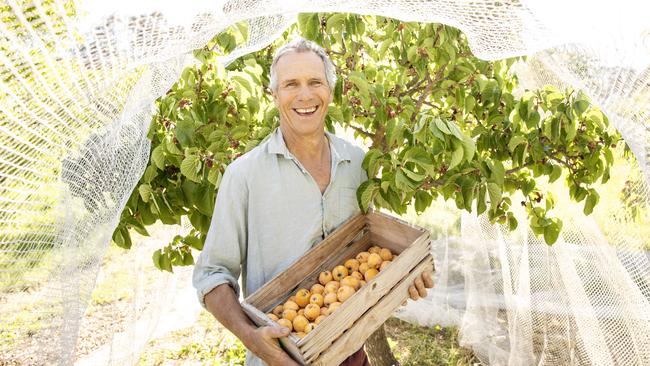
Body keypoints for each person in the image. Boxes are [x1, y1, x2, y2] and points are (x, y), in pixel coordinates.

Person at [193, 37, 434, 366]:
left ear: (330, 92)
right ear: (274, 95)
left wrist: (402, 282)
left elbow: (367, 258)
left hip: (351, 353)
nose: (305, 95)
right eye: (291, 84)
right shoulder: (244, 176)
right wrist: (252, 339)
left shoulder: (357, 163)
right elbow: (212, 275)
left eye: (315, 82)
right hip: (281, 357)